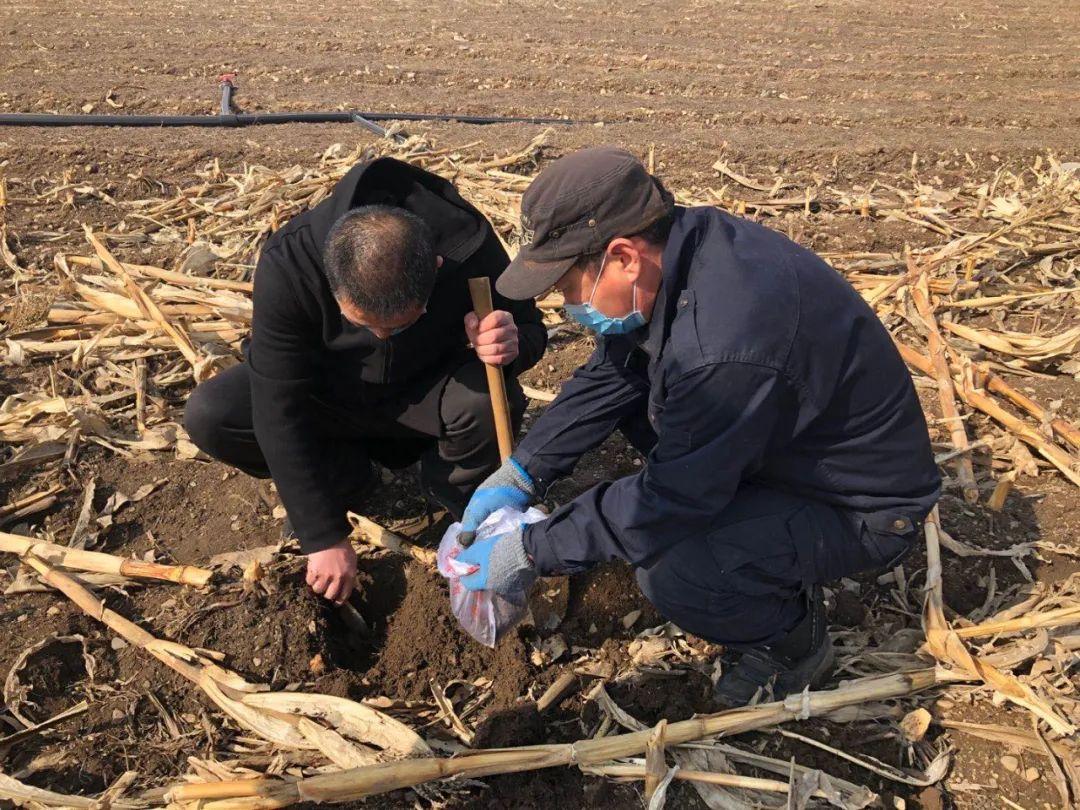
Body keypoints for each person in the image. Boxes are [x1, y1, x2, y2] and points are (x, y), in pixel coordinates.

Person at [455, 147, 941, 705]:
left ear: (623, 257)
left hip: (863, 506)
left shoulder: (722, 346)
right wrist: (522, 470)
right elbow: (616, 372)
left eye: (566, 285)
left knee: (675, 571)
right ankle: (762, 542)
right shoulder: (686, 250)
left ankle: (793, 642)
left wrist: (531, 550)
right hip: (788, 442)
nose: (566, 303)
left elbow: (666, 502)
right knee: (648, 415)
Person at [184, 157, 546, 605]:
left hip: (427, 393)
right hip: (332, 395)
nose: (378, 337)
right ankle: (345, 479)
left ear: (434, 267)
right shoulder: (291, 262)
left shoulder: (467, 246)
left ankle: (450, 499)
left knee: (483, 401)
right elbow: (277, 404)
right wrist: (323, 535)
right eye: (362, 323)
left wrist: (509, 342)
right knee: (213, 414)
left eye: (396, 326)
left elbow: (531, 329)